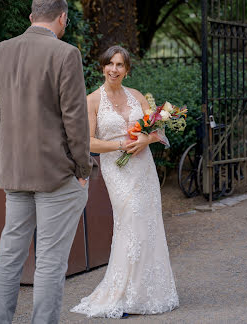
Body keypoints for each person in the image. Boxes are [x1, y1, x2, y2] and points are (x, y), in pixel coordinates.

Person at [0, 0, 93, 324]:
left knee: (9, 256)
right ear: (62, 18)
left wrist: (5, 157)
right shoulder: (66, 53)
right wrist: (83, 168)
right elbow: (75, 118)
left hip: (15, 173)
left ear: (32, 17)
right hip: (56, 174)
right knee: (49, 261)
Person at [71, 46, 179, 319]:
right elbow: (89, 141)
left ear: (127, 69)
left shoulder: (137, 96)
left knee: (147, 223)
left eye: (120, 65)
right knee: (129, 221)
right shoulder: (93, 100)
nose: (114, 69)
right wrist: (120, 144)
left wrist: (146, 138)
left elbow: (159, 129)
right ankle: (121, 292)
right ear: (103, 67)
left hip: (143, 168)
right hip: (117, 170)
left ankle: (149, 292)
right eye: (110, 64)